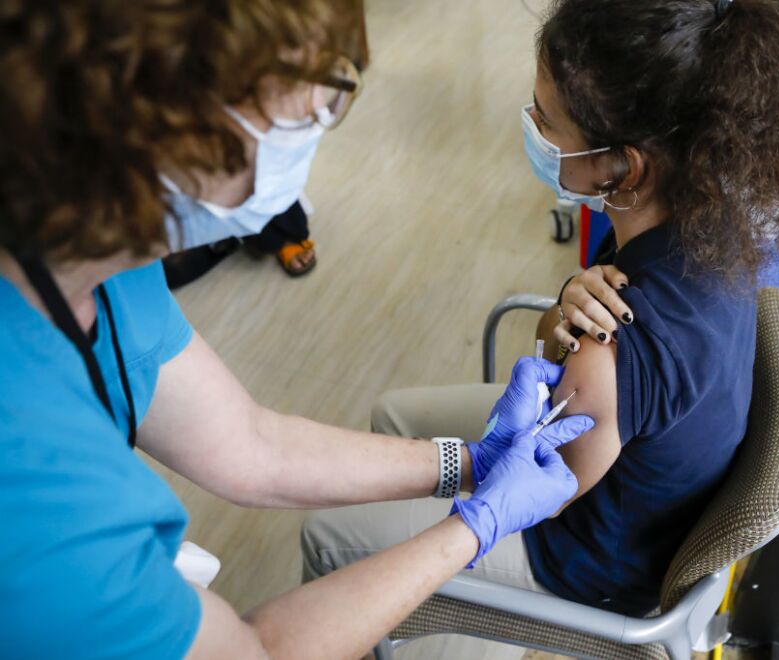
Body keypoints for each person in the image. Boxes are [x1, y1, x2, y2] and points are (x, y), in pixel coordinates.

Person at [0, 2, 605, 658]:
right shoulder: (31, 492)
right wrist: (475, 528)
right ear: (171, 127)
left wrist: (473, 462)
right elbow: (255, 653)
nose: (324, 119)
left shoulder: (94, 259)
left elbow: (251, 446)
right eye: (315, 104)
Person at [301, 0, 779, 657]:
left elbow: (541, 497)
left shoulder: (614, 346)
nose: (530, 128)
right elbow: (562, 348)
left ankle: (432, 628)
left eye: (546, 119)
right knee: (393, 413)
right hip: (633, 490)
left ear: (624, 165)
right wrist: (565, 306)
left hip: (582, 564)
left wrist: (458, 500)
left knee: (326, 537)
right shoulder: (711, 227)